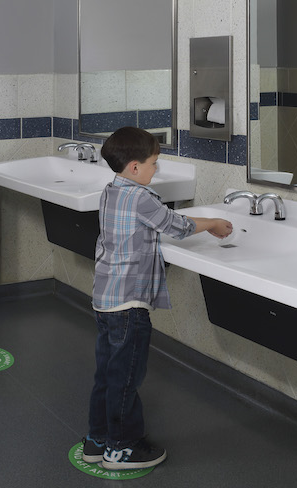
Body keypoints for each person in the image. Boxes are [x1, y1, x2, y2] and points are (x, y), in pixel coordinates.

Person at [81, 127, 232, 470]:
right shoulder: (141, 197)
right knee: (126, 379)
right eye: (154, 163)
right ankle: (123, 448)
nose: (156, 169)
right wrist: (212, 223)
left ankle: (97, 439)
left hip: (105, 298)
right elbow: (176, 226)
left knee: (107, 374)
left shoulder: (111, 191)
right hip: (129, 305)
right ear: (134, 168)